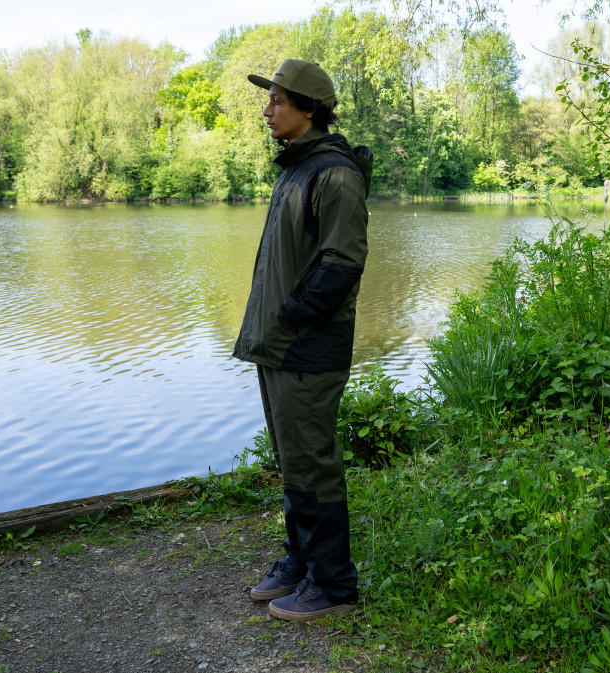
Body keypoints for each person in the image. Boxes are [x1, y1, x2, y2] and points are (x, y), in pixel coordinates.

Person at [232, 59, 373, 622]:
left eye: (277, 101)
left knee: (312, 463)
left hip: (307, 346)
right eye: (268, 100)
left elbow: (342, 264)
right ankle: (301, 562)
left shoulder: (334, 174)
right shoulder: (296, 167)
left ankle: (333, 584)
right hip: (279, 344)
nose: (267, 111)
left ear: (308, 109)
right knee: (292, 461)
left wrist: (292, 315)